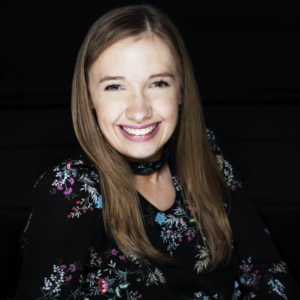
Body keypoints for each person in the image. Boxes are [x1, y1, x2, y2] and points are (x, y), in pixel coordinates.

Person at [14, 4, 300, 300]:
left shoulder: (209, 162)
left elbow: (269, 275)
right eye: (114, 87)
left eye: (158, 83)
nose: (139, 111)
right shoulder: (68, 190)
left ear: (181, 92)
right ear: (89, 98)